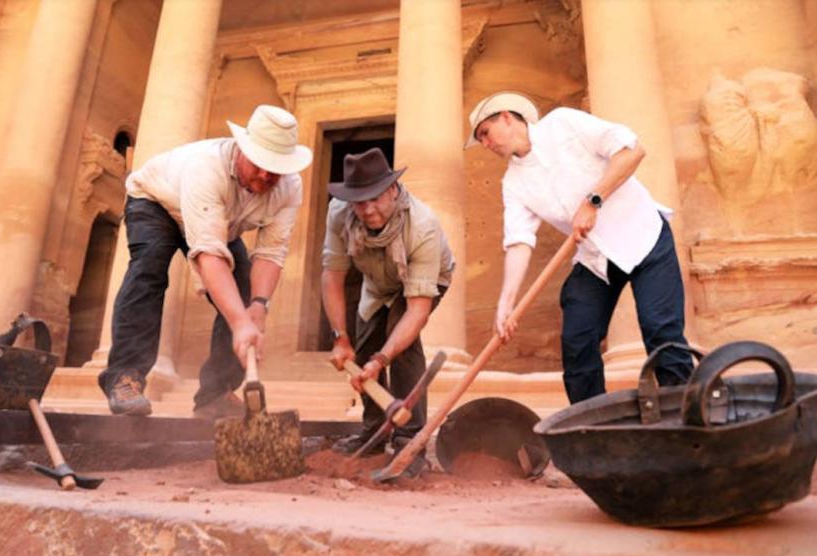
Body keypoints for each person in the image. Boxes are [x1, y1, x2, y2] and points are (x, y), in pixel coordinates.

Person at [466, 91, 692, 403]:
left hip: (644, 238)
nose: (486, 144)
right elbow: (519, 241)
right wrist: (506, 303)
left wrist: (593, 200)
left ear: (506, 117)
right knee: (577, 339)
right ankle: (590, 429)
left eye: (485, 134)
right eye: (481, 140)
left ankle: (687, 417)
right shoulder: (514, 184)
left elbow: (632, 150)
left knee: (661, 331)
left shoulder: (563, 123)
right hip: (596, 259)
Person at [99, 105, 312, 419]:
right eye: (260, 164)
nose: (267, 175)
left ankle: (216, 395)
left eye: (276, 168)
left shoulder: (290, 188)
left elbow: (270, 253)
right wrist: (240, 324)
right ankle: (124, 379)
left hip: (218, 221)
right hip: (157, 202)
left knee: (240, 294)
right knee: (149, 270)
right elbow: (209, 254)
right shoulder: (207, 166)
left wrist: (257, 306)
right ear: (241, 148)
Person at [322, 148, 455, 456]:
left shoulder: (423, 225)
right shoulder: (339, 213)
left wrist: (382, 360)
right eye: (359, 201)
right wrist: (340, 338)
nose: (367, 210)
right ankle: (374, 431)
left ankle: (410, 437)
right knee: (363, 345)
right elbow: (332, 276)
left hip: (426, 281)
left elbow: (416, 310)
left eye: (375, 198)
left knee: (401, 343)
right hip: (377, 282)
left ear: (393, 190)